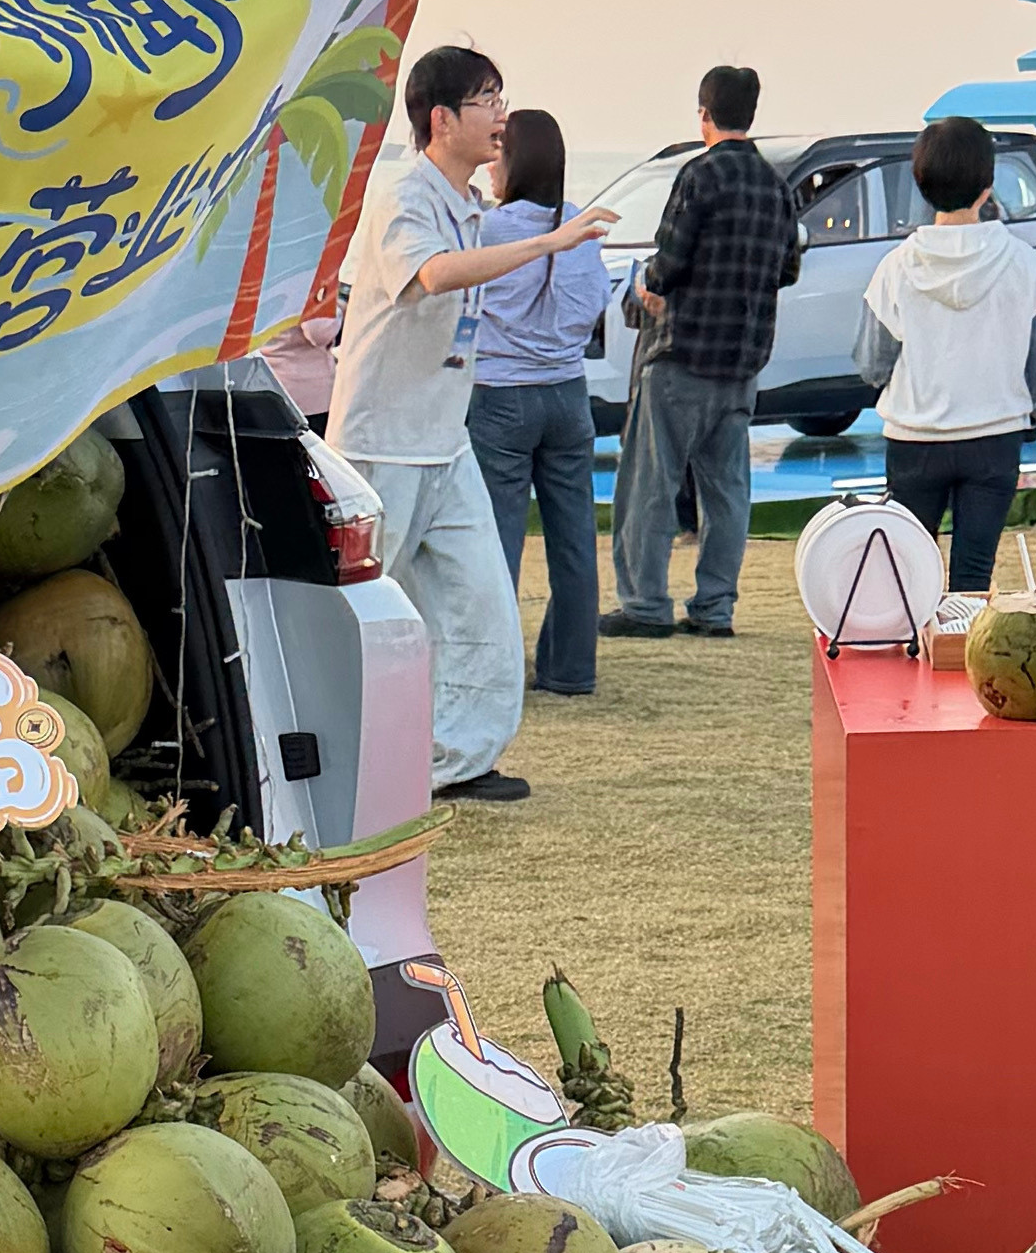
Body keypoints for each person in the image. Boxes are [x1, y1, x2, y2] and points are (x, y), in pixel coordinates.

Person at [329, 39, 606, 803]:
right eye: (487, 101)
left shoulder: (469, 206)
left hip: (445, 444)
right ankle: (336, 758)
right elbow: (433, 274)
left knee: (482, 599)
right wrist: (546, 240)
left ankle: (457, 763)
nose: (501, 118)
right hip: (383, 444)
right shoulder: (404, 198)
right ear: (442, 118)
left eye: (502, 99)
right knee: (359, 615)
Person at [606, 64, 796, 640]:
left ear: (704, 114)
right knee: (727, 491)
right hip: (741, 362)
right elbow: (787, 268)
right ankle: (714, 607)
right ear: (753, 114)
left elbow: (668, 263)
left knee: (650, 484)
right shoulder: (776, 186)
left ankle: (645, 603)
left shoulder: (698, 175)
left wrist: (647, 288)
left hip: (680, 355)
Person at [856, 115, 1036, 594]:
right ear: (988, 186)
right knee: (973, 581)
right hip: (994, 439)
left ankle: (913, 662)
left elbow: (871, 364)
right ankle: (962, 666)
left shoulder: (895, 268)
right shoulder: (1022, 262)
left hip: (913, 439)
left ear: (921, 183)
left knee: (911, 579)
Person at [461, 102, 610, 702]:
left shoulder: (488, 231)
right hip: (568, 395)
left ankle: (494, 671)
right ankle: (571, 669)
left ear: (510, 162)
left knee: (497, 540)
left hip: (500, 398)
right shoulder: (579, 226)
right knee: (574, 538)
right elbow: (594, 303)